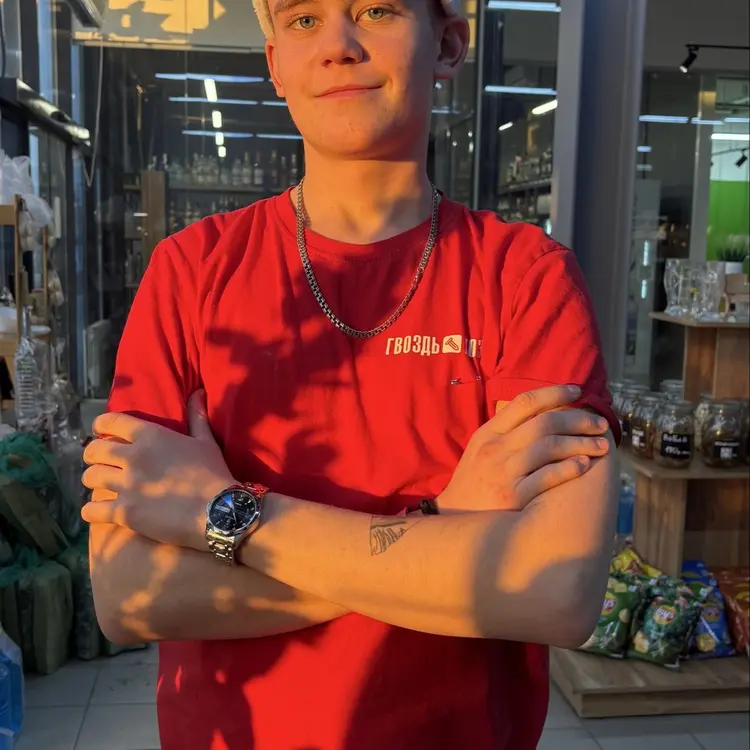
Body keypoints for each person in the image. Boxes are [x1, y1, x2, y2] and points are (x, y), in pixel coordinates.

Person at [81, 1, 620, 748]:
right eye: (303, 19)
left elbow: (556, 592)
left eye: (375, 10)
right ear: (275, 64)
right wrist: (438, 527)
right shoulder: (190, 273)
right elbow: (127, 595)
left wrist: (218, 513)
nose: (338, 45)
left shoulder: (525, 278)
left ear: (449, 44)